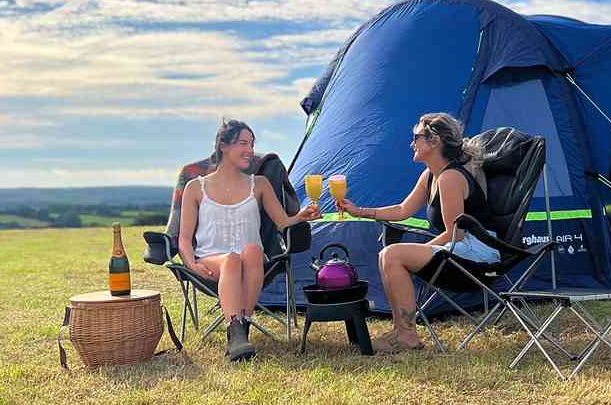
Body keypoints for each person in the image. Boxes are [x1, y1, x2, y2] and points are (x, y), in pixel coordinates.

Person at [338, 113, 498, 353]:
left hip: (478, 250)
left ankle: (408, 336)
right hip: (460, 245)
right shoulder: (430, 176)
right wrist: (358, 211)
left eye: (417, 137)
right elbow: (403, 210)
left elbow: (456, 233)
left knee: (393, 255)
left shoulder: (450, 178)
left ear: (434, 142)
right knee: (387, 254)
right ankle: (400, 331)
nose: (412, 143)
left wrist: (423, 250)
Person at [179, 119, 320, 361]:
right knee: (232, 260)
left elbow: (283, 222)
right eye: (243, 143)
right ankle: (237, 328)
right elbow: (183, 238)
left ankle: (239, 332)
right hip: (212, 261)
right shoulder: (195, 187)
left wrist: (301, 216)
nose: (250, 151)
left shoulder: (260, 184)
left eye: (252, 144)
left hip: (252, 263)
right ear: (223, 145)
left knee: (253, 250)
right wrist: (191, 263)